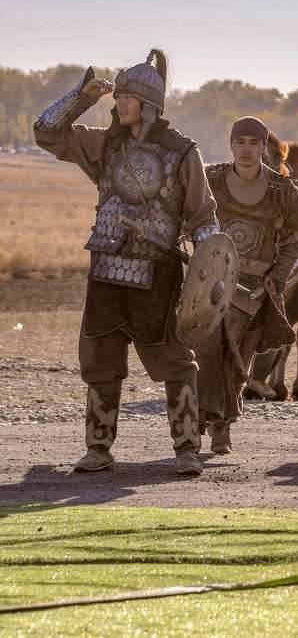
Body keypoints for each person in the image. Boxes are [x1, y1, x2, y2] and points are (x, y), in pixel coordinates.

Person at [33, 50, 220, 475]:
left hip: (158, 270)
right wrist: (82, 98)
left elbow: (203, 216)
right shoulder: (104, 144)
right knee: (100, 358)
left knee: (173, 358)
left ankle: (187, 447)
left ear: (149, 105)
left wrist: (208, 273)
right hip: (106, 269)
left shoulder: (181, 152)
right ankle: (99, 448)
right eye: (118, 97)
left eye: (126, 97)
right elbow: (46, 132)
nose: (119, 103)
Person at [195, 117, 298, 453]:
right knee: (206, 350)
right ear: (231, 145)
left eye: (253, 143)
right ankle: (205, 418)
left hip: (254, 289)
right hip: (210, 281)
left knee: (237, 358)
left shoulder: (282, 191)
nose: (246, 150)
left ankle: (222, 424)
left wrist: (278, 275)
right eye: (240, 143)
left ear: (264, 148)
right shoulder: (210, 179)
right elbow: (186, 215)